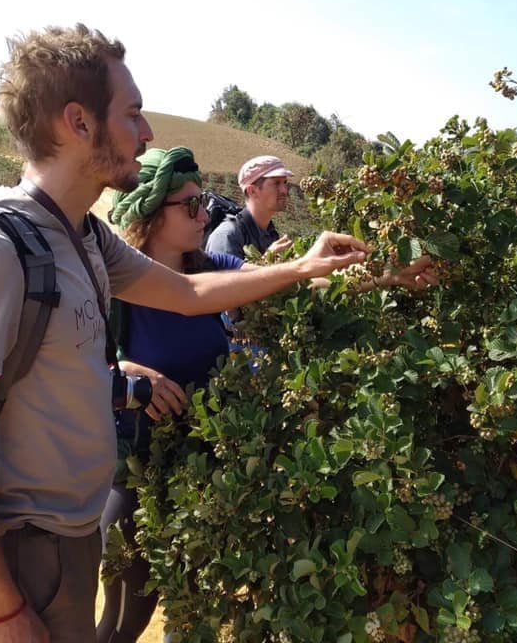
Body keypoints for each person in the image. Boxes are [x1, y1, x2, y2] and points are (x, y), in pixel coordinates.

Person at [0, 24, 387, 643]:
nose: (147, 133)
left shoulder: (85, 237)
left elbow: (189, 293)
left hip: (73, 535)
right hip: (25, 548)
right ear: (78, 122)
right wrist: (3, 609)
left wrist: (302, 267)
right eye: (133, 113)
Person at [97, 145, 438, 643]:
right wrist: (125, 370)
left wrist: (387, 273)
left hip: (203, 476)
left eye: (203, 203)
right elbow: (73, 360)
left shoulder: (209, 264)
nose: (204, 213)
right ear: (150, 216)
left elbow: (292, 285)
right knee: (125, 618)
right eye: (190, 206)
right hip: (139, 474)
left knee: (193, 611)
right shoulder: (116, 283)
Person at [204, 155, 295, 259]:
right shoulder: (227, 236)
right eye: (276, 183)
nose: (284, 190)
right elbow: (226, 276)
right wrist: (267, 258)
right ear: (252, 191)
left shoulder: (271, 234)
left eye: (285, 183)